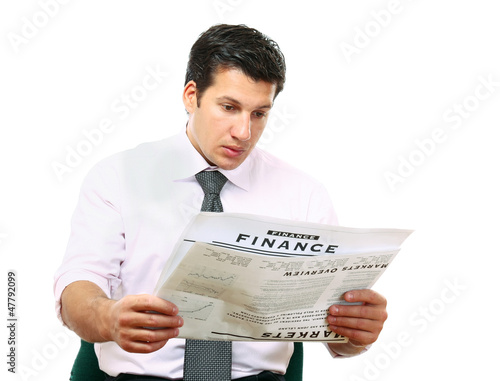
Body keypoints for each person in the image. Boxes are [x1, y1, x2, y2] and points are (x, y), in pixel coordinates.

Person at [54, 24, 388, 380]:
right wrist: (107, 317)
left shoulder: (304, 194)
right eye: (229, 107)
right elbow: (78, 286)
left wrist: (354, 335)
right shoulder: (116, 177)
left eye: (259, 114)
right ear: (191, 96)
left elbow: (335, 335)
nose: (244, 132)